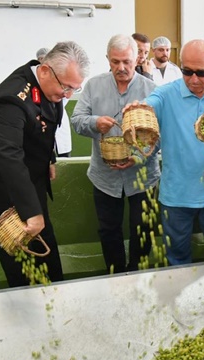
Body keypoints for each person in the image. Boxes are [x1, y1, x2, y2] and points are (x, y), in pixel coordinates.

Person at [0, 41, 89, 287]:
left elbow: (45, 127)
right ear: (45, 71)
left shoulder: (51, 86)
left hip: (30, 182)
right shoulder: (11, 100)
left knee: (48, 254)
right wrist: (31, 213)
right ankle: (25, 314)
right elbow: (9, 156)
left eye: (74, 89)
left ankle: (55, 301)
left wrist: (49, 159)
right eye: (66, 87)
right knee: (20, 264)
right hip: (2, 191)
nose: (67, 95)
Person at [136, 39, 204, 265]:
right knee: (176, 257)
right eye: (187, 71)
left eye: (202, 72)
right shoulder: (165, 94)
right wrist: (139, 108)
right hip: (175, 195)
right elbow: (149, 103)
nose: (194, 79)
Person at [71, 35, 158, 274]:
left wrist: (139, 157)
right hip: (104, 176)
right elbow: (76, 120)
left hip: (142, 176)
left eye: (127, 62)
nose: (121, 67)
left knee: (142, 228)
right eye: (115, 61)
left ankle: (138, 273)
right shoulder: (93, 86)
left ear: (138, 58)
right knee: (108, 230)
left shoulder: (151, 90)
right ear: (107, 60)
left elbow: (161, 135)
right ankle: (116, 276)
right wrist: (94, 122)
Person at [37, 47, 72, 157]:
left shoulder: (61, 78)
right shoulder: (35, 81)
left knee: (64, 157)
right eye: (40, 59)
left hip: (60, 127)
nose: (43, 61)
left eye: (45, 58)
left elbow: (68, 94)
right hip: (42, 126)